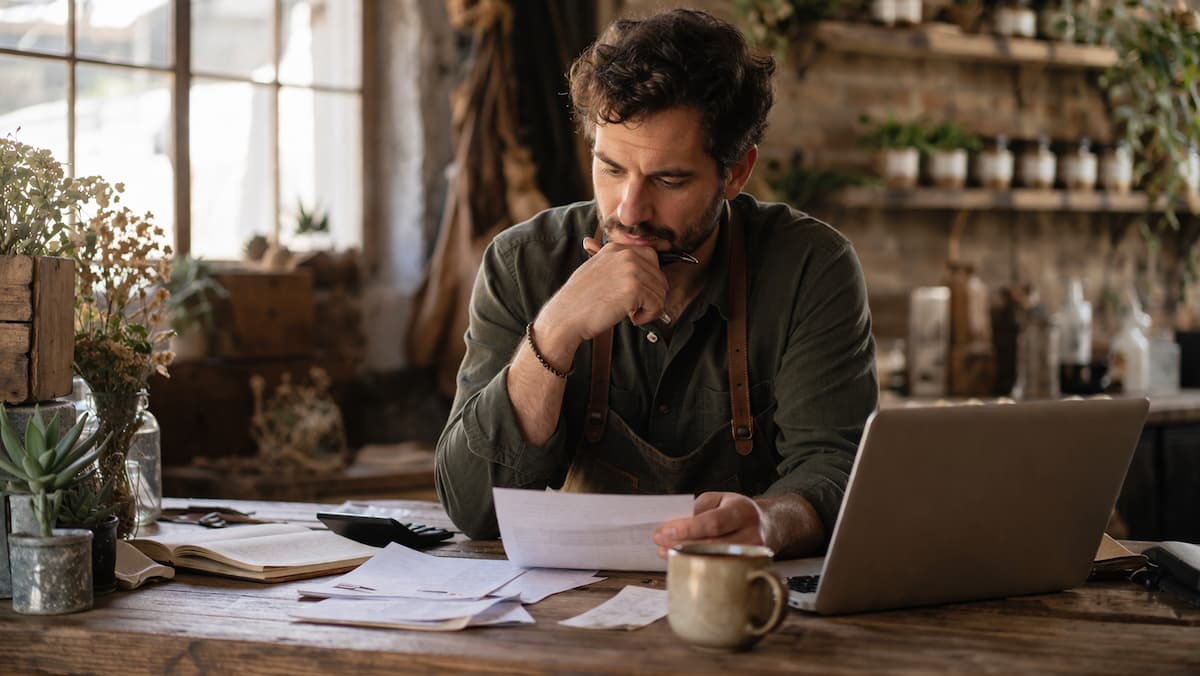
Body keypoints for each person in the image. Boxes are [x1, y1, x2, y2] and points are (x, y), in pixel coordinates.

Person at [434, 8, 877, 559]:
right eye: (612, 169)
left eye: (669, 179)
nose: (630, 210)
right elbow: (473, 509)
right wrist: (554, 331)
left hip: (744, 594)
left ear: (736, 172)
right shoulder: (522, 262)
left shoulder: (811, 266)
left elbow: (839, 469)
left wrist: (770, 520)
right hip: (567, 615)